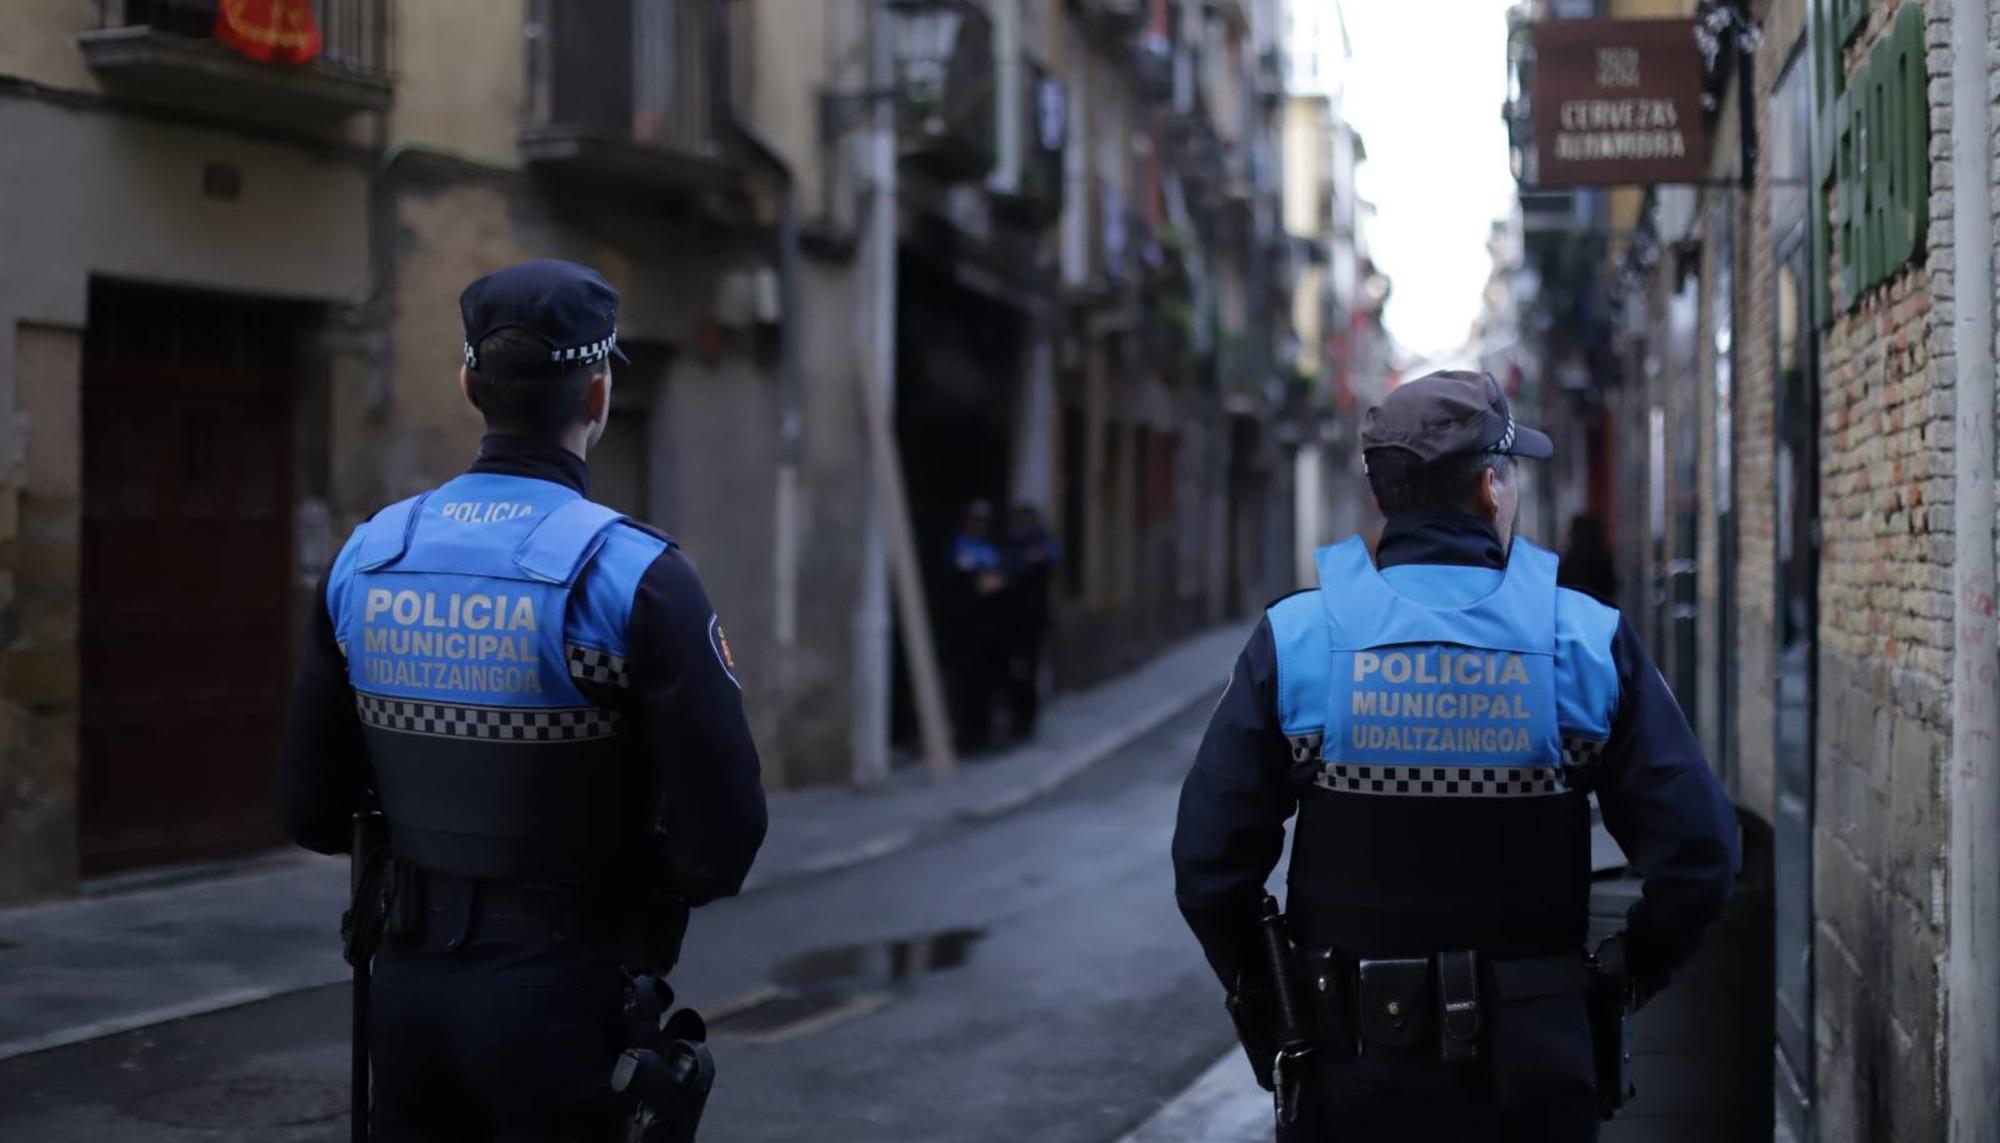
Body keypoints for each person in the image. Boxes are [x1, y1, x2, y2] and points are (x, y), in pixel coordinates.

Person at [1171, 370, 1738, 1142]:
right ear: (1490, 489)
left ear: (1383, 498)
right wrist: (1620, 976)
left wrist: (1278, 1009)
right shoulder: (1584, 640)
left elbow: (1208, 867)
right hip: (1536, 1077)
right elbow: (1702, 856)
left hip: (1349, 1074)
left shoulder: (1298, 638)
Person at [275, 259, 767, 1141]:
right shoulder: (638, 576)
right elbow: (723, 839)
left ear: (471, 386)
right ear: (599, 392)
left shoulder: (367, 557)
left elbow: (310, 808)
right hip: (565, 993)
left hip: (405, 991)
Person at [946, 500, 1007, 752]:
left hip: (987, 629)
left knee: (986, 683)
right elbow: (970, 582)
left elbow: (998, 582)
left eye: (983, 523)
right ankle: (965, 736)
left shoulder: (988, 550)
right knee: (966, 684)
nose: (979, 527)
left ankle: (982, 733)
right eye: (975, 521)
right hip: (965, 627)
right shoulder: (960, 547)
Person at [1000, 503, 1061, 739]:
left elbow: (1051, 558)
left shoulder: (1042, 544)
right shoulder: (1011, 546)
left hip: (1033, 620)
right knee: (1011, 672)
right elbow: (1009, 566)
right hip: (1010, 620)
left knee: (1029, 671)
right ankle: (1014, 719)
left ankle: (1025, 722)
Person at [1558, 513, 1618, 604]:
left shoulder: (1571, 559)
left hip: (1575, 605)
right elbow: (1610, 586)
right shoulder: (1602, 557)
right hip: (1598, 606)